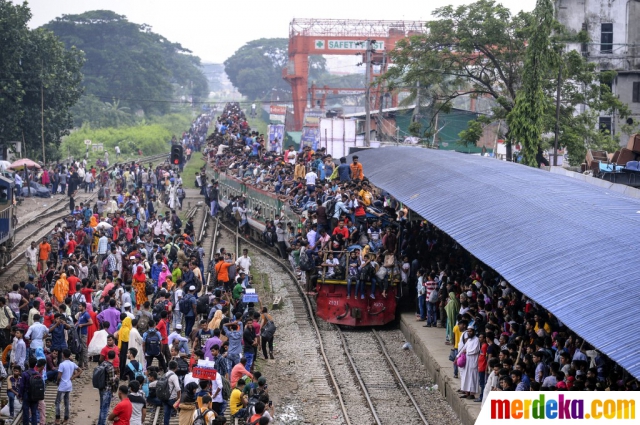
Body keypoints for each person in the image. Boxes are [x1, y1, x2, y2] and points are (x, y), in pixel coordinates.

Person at [55, 349, 81, 425]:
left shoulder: (62, 364)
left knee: (58, 402)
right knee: (66, 402)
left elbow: (59, 376)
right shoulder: (72, 363)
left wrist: (57, 382)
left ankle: (57, 419)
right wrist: (73, 377)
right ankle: (66, 419)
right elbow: (80, 370)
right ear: (69, 355)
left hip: (62, 386)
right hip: (69, 385)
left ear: (63, 355)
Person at [456, 324, 480, 399]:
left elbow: (475, 350)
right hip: (467, 361)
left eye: (470, 331)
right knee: (466, 377)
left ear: (473, 331)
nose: (469, 332)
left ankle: (472, 394)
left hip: (473, 361)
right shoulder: (469, 340)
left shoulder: (476, 340)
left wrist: (467, 352)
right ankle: (466, 393)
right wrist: (457, 357)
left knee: (472, 378)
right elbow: (463, 348)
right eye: (468, 331)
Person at [98, 350, 119, 425]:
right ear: (114, 357)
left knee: (101, 407)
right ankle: (102, 423)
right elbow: (111, 381)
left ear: (107, 356)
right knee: (105, 409)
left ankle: (99, 423)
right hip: (107, 390)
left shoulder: (103, 364)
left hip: (101, 388)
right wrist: (115, 377)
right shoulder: (110, 367)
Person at [162, 361, 181, 425]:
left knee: (167, 413)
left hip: (165, 397)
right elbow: (178, 388)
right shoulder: (174, 376)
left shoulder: (165, 374)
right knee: (182, 410)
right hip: (172, 398)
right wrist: (178, 398)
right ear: (176, 367)